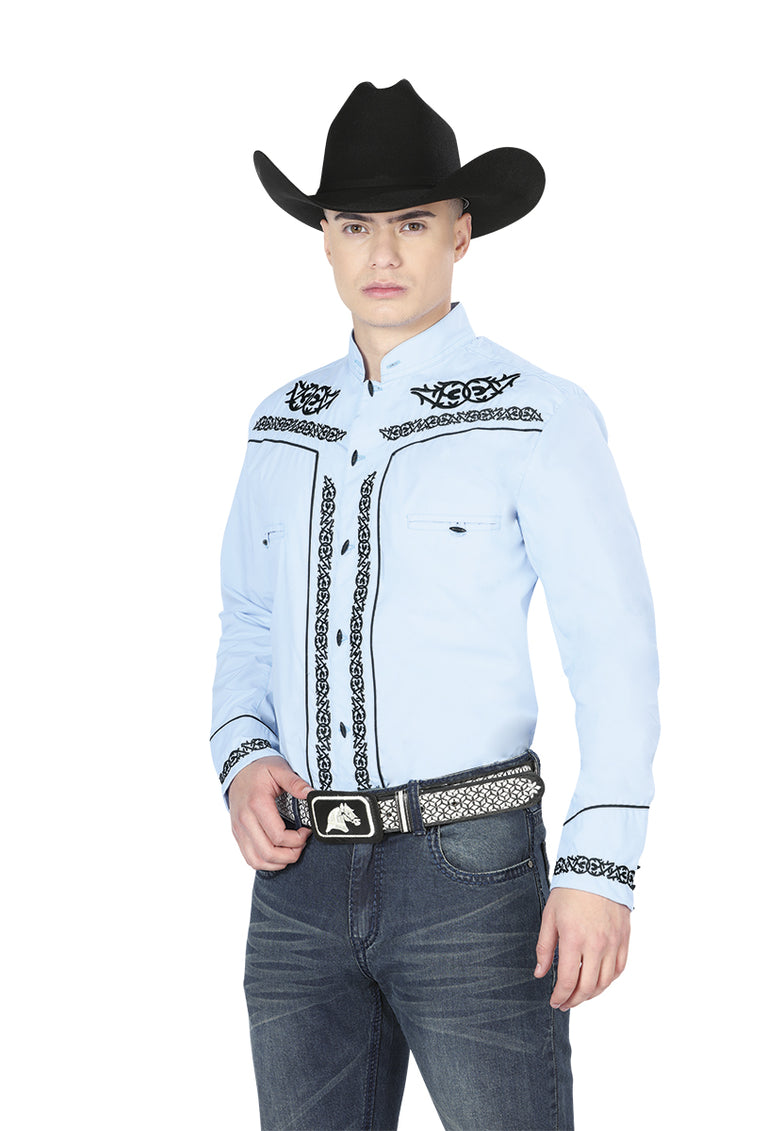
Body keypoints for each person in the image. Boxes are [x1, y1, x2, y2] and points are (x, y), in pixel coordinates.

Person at [210, 79, 660, 1131]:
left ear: (461, 233)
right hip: (297, 880)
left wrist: (601, 866)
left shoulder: (535, 414)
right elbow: (249, 619)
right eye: (354, 225)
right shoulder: (282, 422)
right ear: (325, 239)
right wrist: (242, 756)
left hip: (472, 869)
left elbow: (612, 650)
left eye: (411, 223)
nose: (382, 253)